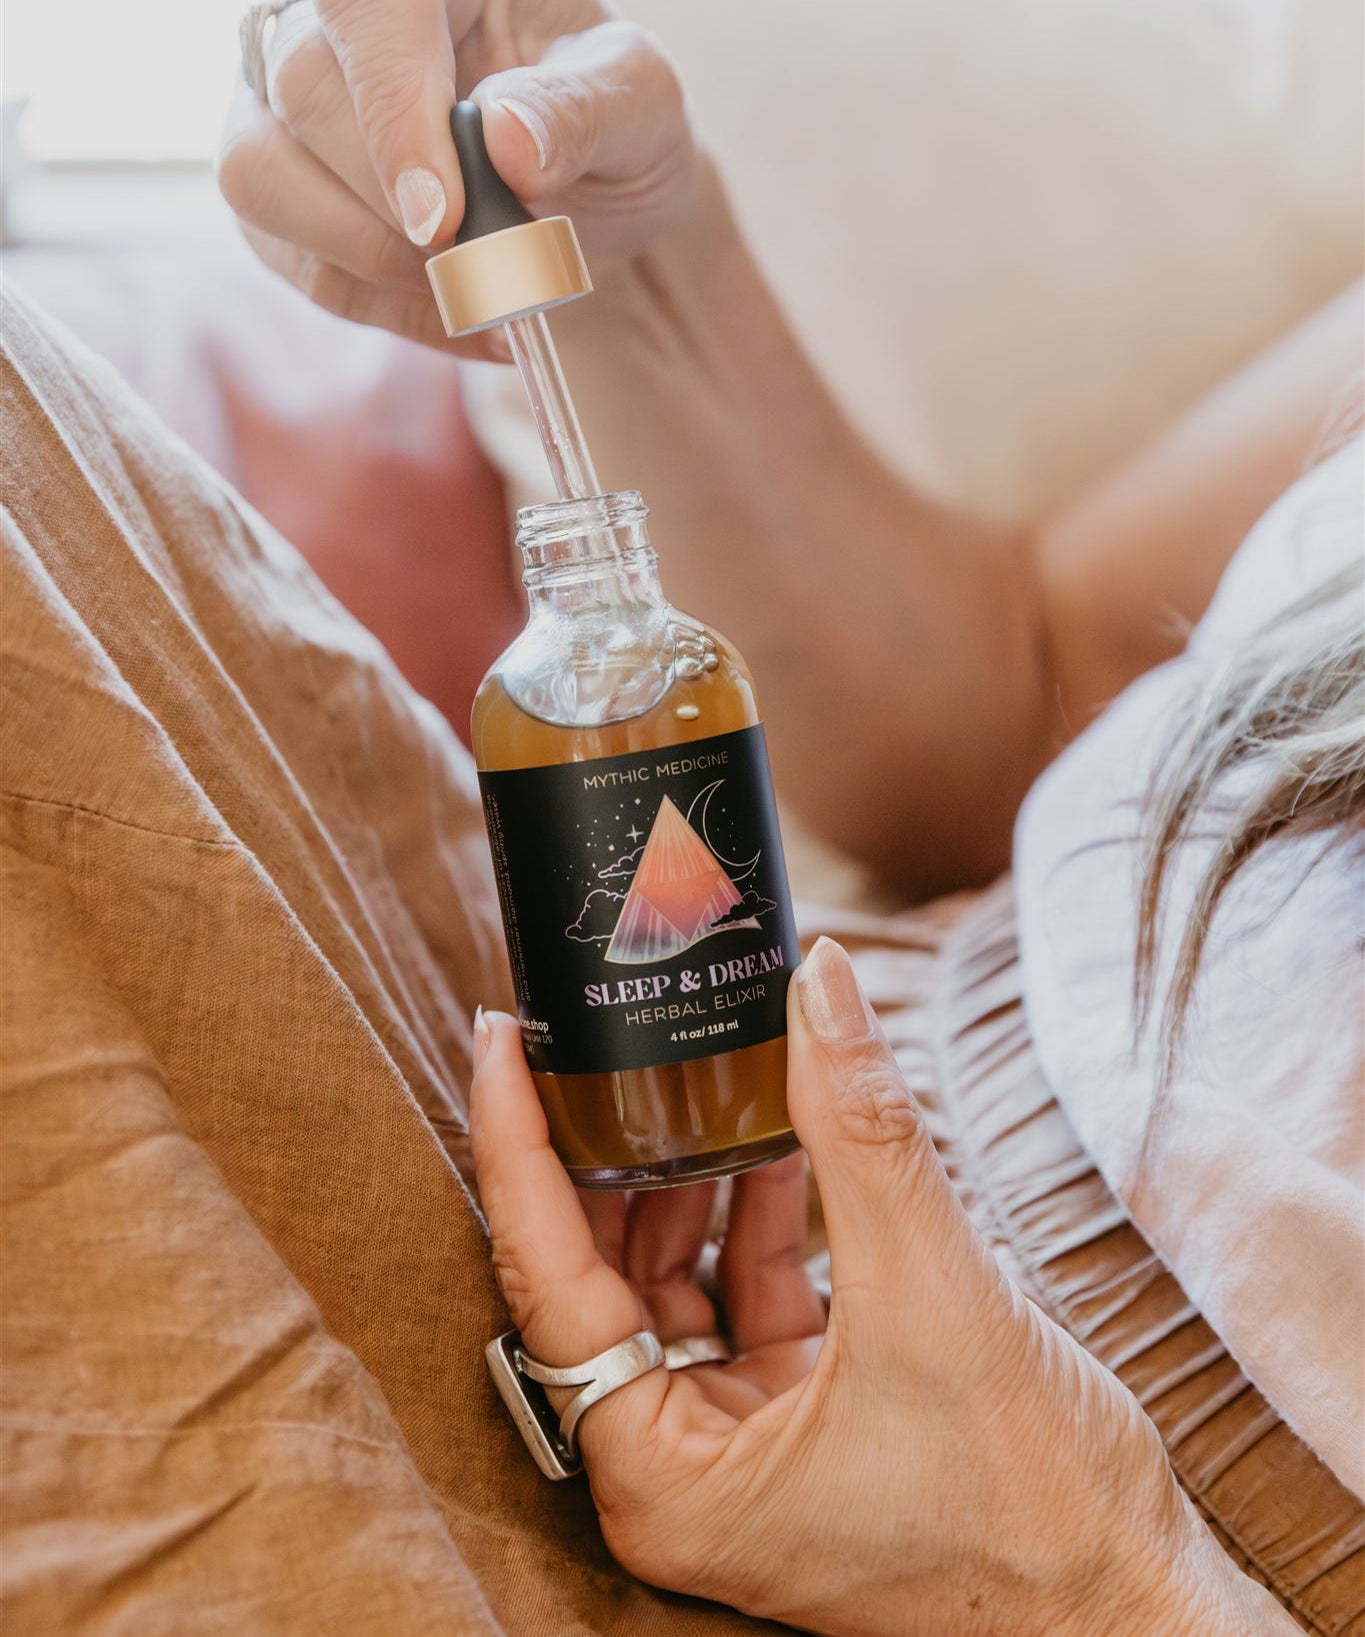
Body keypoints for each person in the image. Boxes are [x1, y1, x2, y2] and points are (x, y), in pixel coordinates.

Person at [0, 2, 1355, 1633]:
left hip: (1028, 1539)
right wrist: (627, 269)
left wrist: (1085, 1571)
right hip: (636, 1175)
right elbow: (1012, 697)